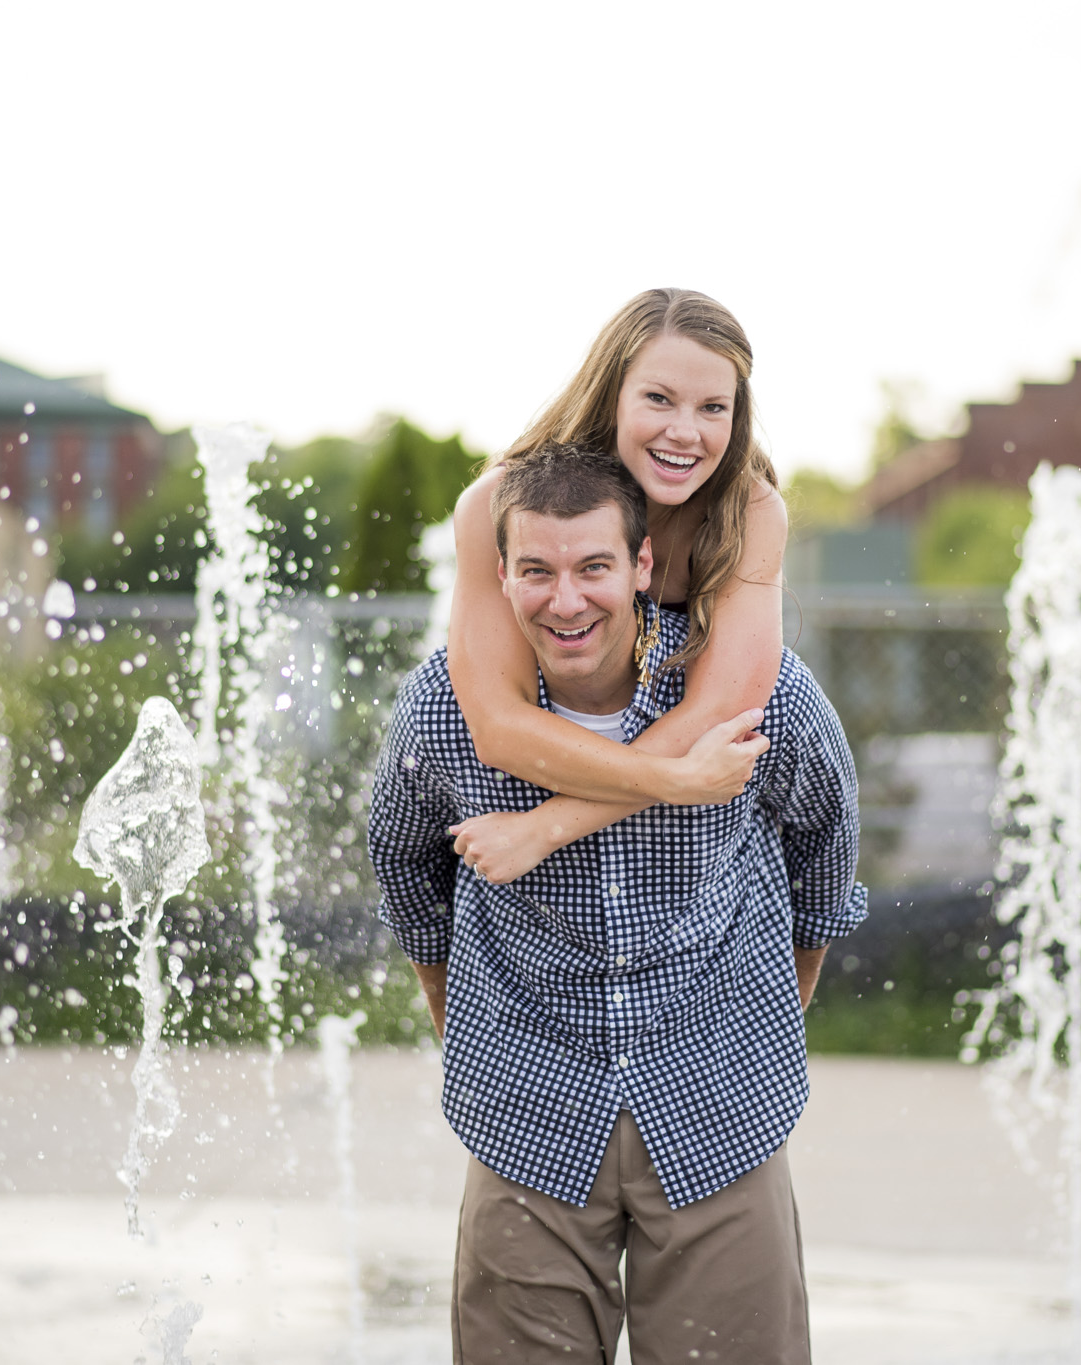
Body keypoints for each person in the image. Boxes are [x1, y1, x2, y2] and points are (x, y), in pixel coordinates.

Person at [368, 443, 866, 1362]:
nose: (567, 600)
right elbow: (409, 881)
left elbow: (825, 862)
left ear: (641, 566)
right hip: (526, 1117)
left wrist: (762, 1024)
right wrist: (470, 1031)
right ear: (501, 575)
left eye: (594, 566)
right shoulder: (443, 713)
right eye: (537, 571)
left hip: (722, 1110)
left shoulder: (756, 696)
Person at [444, 288, 789, 886]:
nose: (686, 432)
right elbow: (499, 728)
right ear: (613, 395)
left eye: (713, 407)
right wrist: (679, 782)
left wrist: (543, 829)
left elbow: (723, 712)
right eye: (659, 399)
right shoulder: (496, 505)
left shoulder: (748, 510)